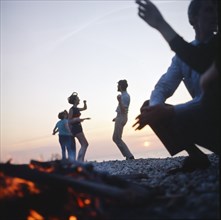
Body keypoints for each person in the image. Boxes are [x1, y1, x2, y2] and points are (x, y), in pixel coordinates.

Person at [134, 0, 220, 172]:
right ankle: (196, 156)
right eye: (209, 10)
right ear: (193, 18)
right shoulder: (184, 56)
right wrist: (156, 108)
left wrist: (169, 111)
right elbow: (163, 86)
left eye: (217, 10)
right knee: (149, 106)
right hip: (205, 122)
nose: (215, 15)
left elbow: (210, 97)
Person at [112, 80, 135, 160]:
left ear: (121, 86)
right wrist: (116, 117)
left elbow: (124, 110)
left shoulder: (124, 96)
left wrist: (119, 100)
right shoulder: (124, 95)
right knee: (116, 138)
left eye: (118, 85)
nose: (117, 87)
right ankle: (128, 156)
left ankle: (129, 156)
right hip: (120, 117)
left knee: (116, 138)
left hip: (122, 117)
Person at [68, 92, 90, 162]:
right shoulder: (72, 109)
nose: (79, 100)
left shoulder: (76, 108)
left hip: (78, 127)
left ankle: (80, 160)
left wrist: (85, 103)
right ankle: (80, 160)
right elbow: (69, 121)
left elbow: (85, 108)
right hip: (75, 128)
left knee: (84, 144)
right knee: (85, 144)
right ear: (75, 101)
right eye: (78, 99)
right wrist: (77, 119)